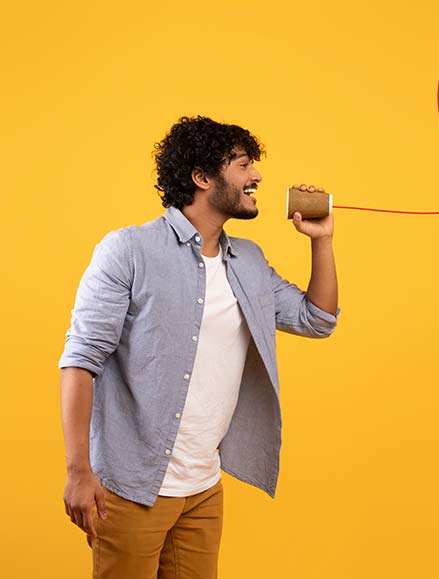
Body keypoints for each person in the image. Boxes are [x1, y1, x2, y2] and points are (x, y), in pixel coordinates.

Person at [59, 116, 340, 577]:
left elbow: (317, 319)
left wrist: (322, 242)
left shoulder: (248, 261)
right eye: (244, 165)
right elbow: (81, 360)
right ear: (203, 177)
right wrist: (77, 471)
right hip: (132, 487)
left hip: (203, 489)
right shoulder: (129, 250)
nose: (258, 177)